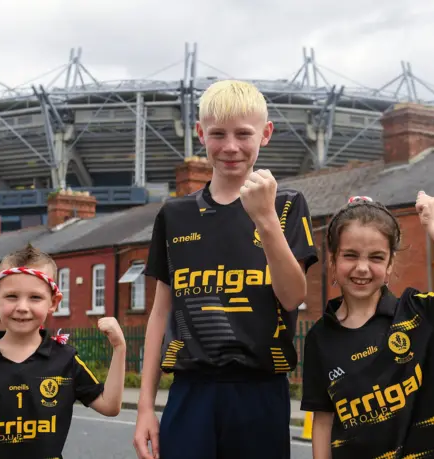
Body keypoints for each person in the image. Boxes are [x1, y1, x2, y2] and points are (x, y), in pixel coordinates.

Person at [133, 79, 319, 459]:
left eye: (243, 134)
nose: (231, 147)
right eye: (218, 134)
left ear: (265, 134)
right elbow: (159, 313)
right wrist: (144, 407)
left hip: (260, 389)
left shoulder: (286, 205)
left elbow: (293, 296)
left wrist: (265, 219)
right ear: (200, 133)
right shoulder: (175, 214)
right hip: (190, 389)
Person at [300, 193, 434, 459]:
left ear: (390, 265)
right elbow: (323, 420)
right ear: (333, 261)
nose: (362, 268)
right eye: (350, 255)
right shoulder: (319, 338)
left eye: (377, 258)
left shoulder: (420, 312)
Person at [0, 244, 126, 459]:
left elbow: (110, 406)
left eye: (35, 298)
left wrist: (119, 348)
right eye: (11, 296)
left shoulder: (65, 359)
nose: (22, 307)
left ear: (54, 302)